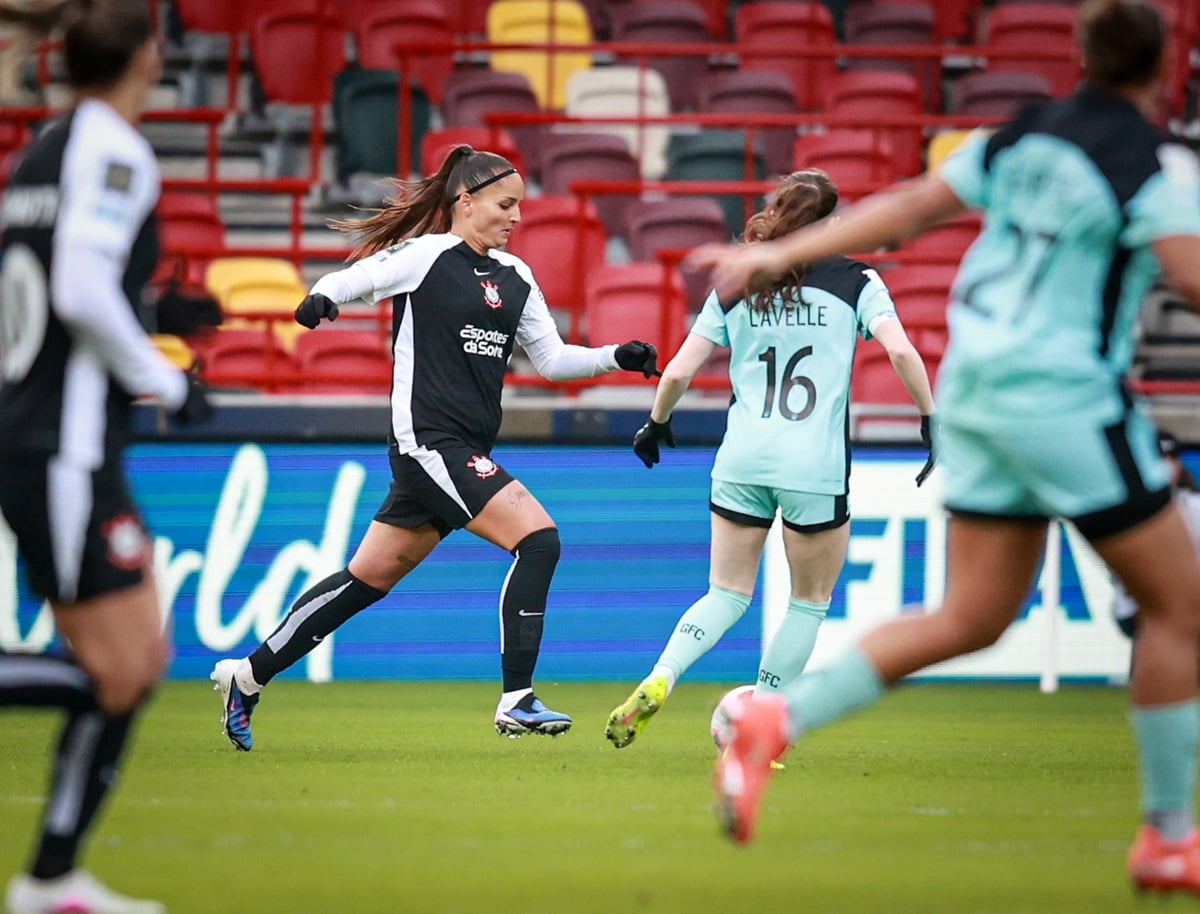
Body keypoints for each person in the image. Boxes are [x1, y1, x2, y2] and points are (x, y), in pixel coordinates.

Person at [688, 0, 1200, 894]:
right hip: (1065, 397)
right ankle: (1167, 834)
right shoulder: (1155, 163)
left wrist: (775, 257)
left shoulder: (1016, 137)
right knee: (1182, 610)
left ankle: (777, 719)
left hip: (974, 390)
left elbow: (907, 209)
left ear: (1078, 56)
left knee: (972, 616)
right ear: (1167, 71)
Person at [209, 145, 659, 751]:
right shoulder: (426, 257)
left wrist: (613, 357)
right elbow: (360, 277)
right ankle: (517, 699)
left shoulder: (516, 276)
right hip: (427, 444)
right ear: (465, 202)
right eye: (506, 204)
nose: (516, 217)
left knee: (365, 580)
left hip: (458, 450)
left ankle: (248, 675)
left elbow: (552, 361)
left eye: (520, 206)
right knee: (539, 539)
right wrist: (324, 298)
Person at [604, 169, 936, 750]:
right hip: (815, 467)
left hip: (741, 460)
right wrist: (931, 419)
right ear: (830, 223)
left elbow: (679, 369)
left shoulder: (739, 281)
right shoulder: (859, 281)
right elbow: (903, 352)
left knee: (726, 594)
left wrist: (655, 424)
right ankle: (761, 715)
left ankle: (661, 676)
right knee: (808, 603)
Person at [0, 1, 212, 913]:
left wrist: (157, 317)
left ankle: (53, 878)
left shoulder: (42, 151)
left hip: (48, 435)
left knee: (132, 663)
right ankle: (50, 880)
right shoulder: (115, 148)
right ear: (142, 56)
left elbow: (55, 287)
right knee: (124, 669)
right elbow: (81, 289)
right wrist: (167, 379)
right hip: (62, 444)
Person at [1112, 430, 1200, 640]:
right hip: (1139, 606)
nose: (1165, 467)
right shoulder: (1126, 507)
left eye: (1170, 458)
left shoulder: (1195, 506)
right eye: (1158, 459)